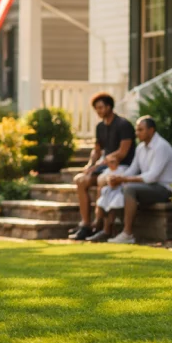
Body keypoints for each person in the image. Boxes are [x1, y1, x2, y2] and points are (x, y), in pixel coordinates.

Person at [70, 92, 136, 240]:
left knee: (101, 179)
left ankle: (99, 224)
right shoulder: (100, 127)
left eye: (101, 108)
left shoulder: (123, 125)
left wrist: (101, 163)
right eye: (96, 109)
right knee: (80, 180)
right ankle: (85, 224)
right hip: (104, 166)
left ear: (109, 107)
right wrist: (90, 164)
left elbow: (122, 152)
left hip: (122, 167)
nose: (99, 111)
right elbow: (97, 150)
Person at [106, 116, 172, 244]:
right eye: (136, 130)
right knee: (113, 187)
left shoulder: (161, 147)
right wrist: (117, 178)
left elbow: (152, 177)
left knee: (129, 189)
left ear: (151, 130)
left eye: (140, 130)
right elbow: (132, 170)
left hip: (165, 189)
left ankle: (127, 233)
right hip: (150, 187)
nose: (137, 133)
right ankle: (105, 229)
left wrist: (124, 179)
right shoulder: (140, 148)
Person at [85, 153, 128, 243]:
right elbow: (101, 180)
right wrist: (108, 180)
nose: (113, 164)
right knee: (102, 204)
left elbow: (124, 180)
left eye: (115, 161)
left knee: (113, 205)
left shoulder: (122, 170)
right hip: (108, 193)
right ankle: (101, 224)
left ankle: (108, 229)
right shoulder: (107, 172)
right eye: (111, 162)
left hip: (119, 193)